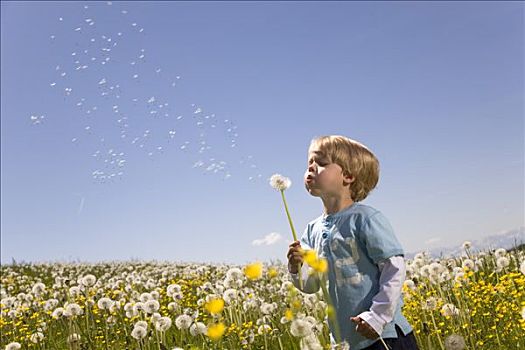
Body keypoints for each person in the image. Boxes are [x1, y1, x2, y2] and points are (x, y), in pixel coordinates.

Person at [287, 135, 419, 350]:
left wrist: (377, 317)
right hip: (345, 342)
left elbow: (393, 269)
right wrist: (296, 268)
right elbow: (310, 285)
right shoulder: (311, 230)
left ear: (347, 176)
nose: (311, 167)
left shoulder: (365, 219)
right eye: (309, 162)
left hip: (383, 336)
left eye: (320, 162)